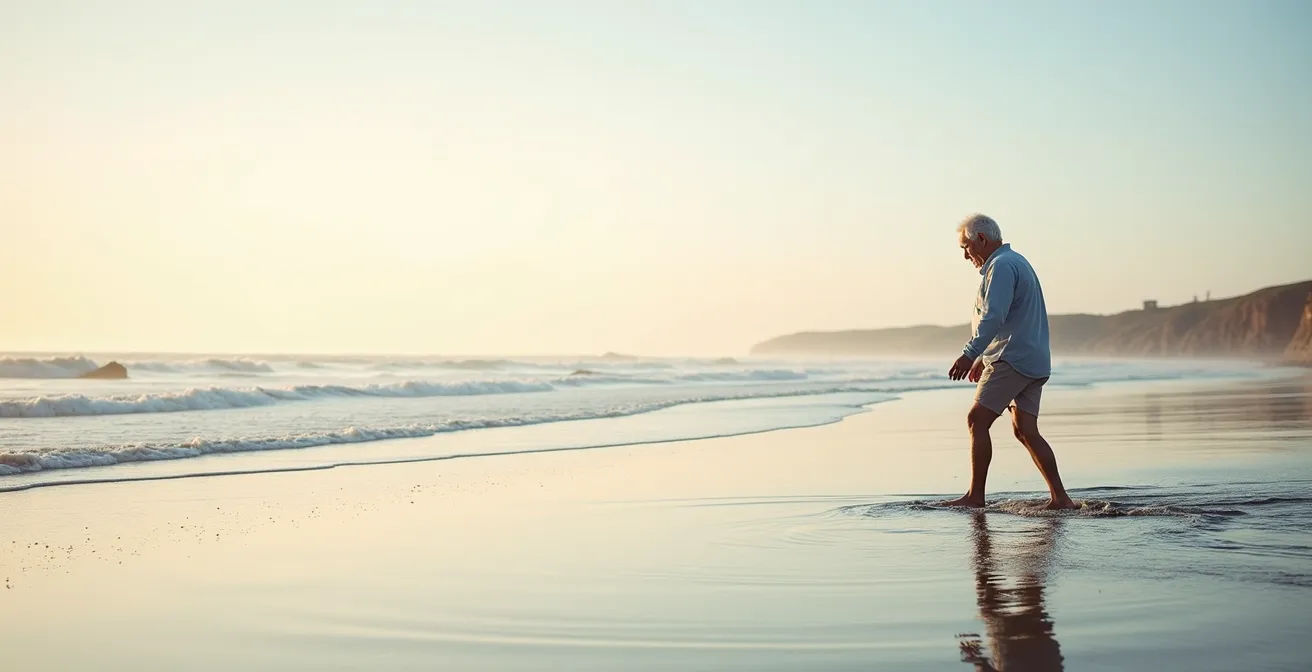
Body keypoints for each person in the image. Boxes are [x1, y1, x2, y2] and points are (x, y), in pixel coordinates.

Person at [943, 214, 1076, 510]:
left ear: (981, 239)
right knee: (1025, 429)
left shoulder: (1001, 266)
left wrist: (969, 353)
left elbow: (994, 316)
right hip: (1031, 359)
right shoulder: (1015, 262)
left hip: (1013, 358)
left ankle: (975, 497)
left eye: (966, 247)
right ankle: (1061, 499)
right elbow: (1007, 318)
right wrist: (983, 355)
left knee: (977, 420)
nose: (966, 256)